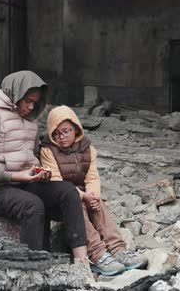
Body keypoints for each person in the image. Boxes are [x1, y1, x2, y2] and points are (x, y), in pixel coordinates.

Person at [0, 71, 91, 275]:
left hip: (24, 183)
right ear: (14, 93)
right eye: (28, 101)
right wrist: (16, 176)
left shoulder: (31, 120)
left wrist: (38, 171)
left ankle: (82, 263)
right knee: (33, 206)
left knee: (68, 191)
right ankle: (33, 271)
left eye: (36, 102)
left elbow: (30, 156)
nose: (31, 107)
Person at [40, 105, 148, 276]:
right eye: (56, 133)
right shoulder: (48, 150)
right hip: (61, 199)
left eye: (66, 131)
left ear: (76, 128)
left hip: (83, 194)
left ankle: (118, 250)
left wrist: (93, 196)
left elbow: (92, 176)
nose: (61, 137)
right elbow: (56, 182)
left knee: (99, 205)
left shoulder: (87, 148)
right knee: (78, 206)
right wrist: (83, 197)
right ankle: (98, 255)